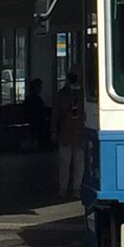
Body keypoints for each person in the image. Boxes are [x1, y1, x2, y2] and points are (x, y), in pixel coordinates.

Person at [52, 67, 84, 199]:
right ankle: (63, 188)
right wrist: (54, 131)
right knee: (65, 164)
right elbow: (55, 115)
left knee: (79, 164)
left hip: (79, 135)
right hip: (65, 134)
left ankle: (77, 188)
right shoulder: (61, 95)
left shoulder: (84, 95)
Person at [23, 77, 49, 149]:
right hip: (35, 121)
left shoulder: (31, 99)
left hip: (34, 120)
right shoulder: (36, 99)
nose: (41, 89)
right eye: (39, 87)